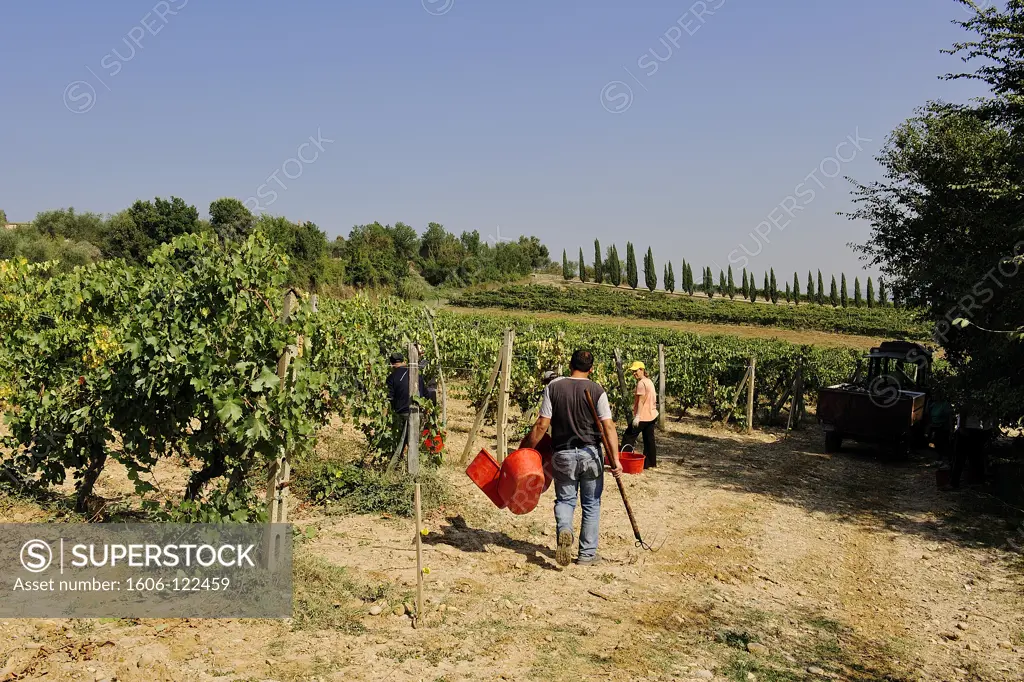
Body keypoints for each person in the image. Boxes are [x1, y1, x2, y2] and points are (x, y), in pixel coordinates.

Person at [522, 350, 621, 566]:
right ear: (591, 368)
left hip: (563, 455)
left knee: (566, 500)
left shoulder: (554, 387)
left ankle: (565, 529)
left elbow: (542, 425)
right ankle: (586, 554)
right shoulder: (597, 390)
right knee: (591, 503)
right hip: (590, 454)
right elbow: (608, 426)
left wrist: (526, 449)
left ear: (570, 365)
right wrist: (616, 459)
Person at [621, 360, 659, 469]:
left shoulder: (641, 383)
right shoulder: (649, 381)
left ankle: (624, 460)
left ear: (642, 370)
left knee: (628, 436)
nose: (634, 373)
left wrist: (637, 416)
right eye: (633, 371)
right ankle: (650, 463)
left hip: (643, 416)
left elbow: (641, 401)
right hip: (652, 415)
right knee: (649, 440)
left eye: (635, 371)